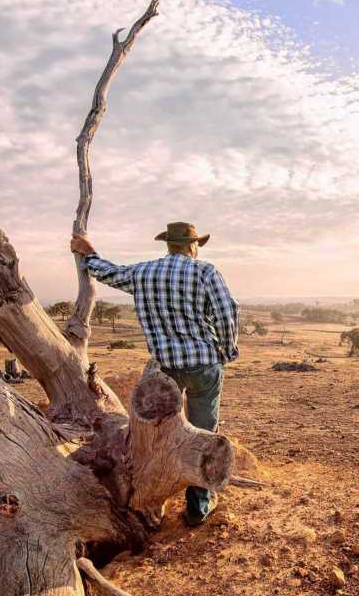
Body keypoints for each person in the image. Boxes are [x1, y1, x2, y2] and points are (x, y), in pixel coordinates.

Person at [70, 222, 240, 525]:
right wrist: (227, 350)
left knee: (163, 434)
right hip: (203, 365)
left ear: (169, 245)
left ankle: (152, 495)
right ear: (192, 246)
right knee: (204, 430)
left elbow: (108, 272)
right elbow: (227, 313)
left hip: (166, 371)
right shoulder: (205, 272)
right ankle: (198, 507)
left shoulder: (144, 272)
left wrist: (88, 252)